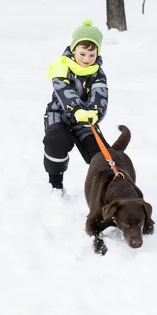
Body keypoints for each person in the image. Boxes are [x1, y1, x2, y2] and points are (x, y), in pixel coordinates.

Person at [43, 19, 110, 192]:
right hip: (59, 114)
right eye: (82, 54)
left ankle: (104, 188)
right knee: (56, 141)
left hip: (85, 118)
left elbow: (100, 93)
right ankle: (55, 183)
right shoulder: (61, 65)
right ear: (74, 50)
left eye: (92, 55)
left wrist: (95, 112)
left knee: (102, 155)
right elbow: (62, 88)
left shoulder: (97, 73)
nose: (87, 59)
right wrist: (76, 109)